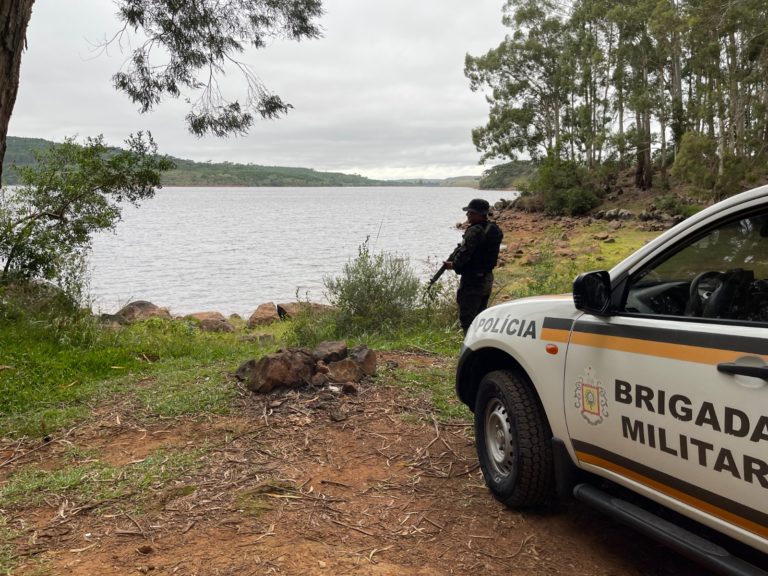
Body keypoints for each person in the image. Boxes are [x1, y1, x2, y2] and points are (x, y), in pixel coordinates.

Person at [444, 198, 504, 333]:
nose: (468, 216)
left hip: (472, 281)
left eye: (470, 213)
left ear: (479, 214)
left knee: (467, 320)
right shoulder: (495, 229)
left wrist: (453, 265)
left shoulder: (474, 231)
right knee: (480, 318)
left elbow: (463, 257)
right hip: (487, 278)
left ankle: (470, 349)